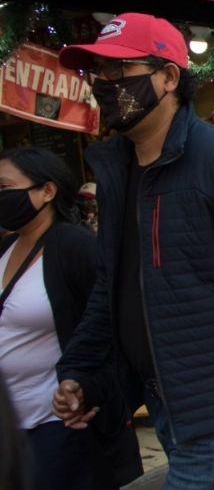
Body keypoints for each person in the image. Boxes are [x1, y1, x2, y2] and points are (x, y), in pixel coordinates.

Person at [52, 13, 214, 486]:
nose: (103, 85)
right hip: (161, 392)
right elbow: (112, 286)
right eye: (97, 73)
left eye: (119, 72)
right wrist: (78, 369)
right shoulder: (118, 172)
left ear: (169, 76)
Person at [0, 147, 141, 489]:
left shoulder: (75, 247)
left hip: (57, 425)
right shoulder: (4, 249)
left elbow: (114, 327)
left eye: (4, 188)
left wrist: (92, 389)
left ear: (47, 191)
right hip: (9, 427)